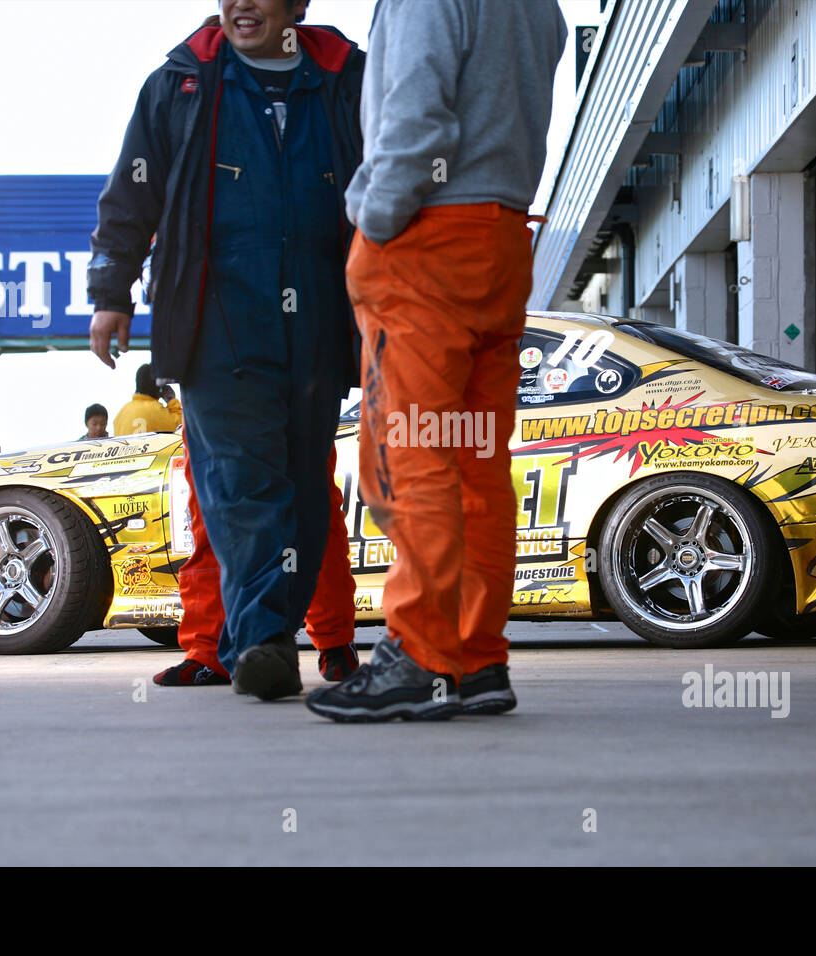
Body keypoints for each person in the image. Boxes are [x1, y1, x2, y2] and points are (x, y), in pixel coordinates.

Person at [88, 0, 365, 700]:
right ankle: (264, 641)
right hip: (215, 321)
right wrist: (111, 290)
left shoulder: (347, 77)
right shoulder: (180, 83)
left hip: (319, 317)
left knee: (304, 491)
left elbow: (387, 184)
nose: (242, 3)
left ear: (298, 4)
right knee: (242, 488)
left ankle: (268, 631)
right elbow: (131, 194)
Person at [306, 0, 567, 722]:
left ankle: (419, 657)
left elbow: (418, 118)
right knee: (476, 458)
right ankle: (476, 657)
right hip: (503, 235)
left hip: (425, 240)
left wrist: (373, 220)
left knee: (413, 455)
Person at [154, 436, 360, 686]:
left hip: (267, 398)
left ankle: (334, 640)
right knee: (213, 511)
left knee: (310, 502)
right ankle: (212, 651)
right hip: (219, 399)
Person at [112, 364, 182, 435]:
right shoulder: (157, 410)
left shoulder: (121, 414)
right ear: (158, 386)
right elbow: (179, 429)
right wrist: (171, 400)